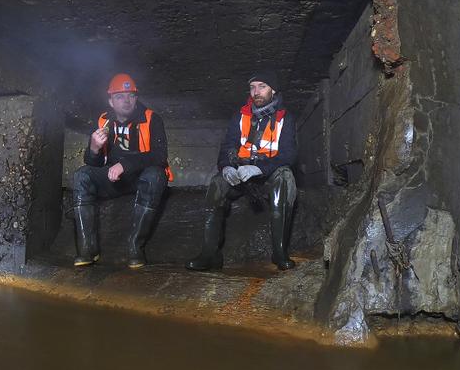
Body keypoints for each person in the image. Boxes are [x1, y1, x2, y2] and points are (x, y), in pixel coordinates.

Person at [186, 70, 298, 271]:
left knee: (285, 177)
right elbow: (227, 146)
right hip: (241, 175)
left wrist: (259, 168)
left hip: (267, 176)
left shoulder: (284, 118)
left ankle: (279, 252)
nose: (256, 92)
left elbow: (289, 156)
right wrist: (226, 166)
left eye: (262, 86)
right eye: (253, 87)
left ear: (273, 90)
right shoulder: (240, 115)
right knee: (217, 184)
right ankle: (210, 253)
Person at [72, 73, 172, 269]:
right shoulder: (103, 121)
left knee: (155, 175)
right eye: (119, 96)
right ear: (110, 101)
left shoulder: (151, 119)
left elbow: (160, 157)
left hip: (141, 180)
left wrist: (126, 165)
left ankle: (135, 248)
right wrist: (93, 148)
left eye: (131, 95)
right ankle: (87, 250)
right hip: (114, 180)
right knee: (82, 175)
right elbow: (93, 162)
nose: (126, 101)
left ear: (136, 97)